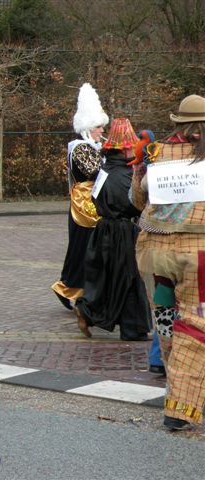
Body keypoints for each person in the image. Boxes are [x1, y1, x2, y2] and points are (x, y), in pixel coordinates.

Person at [131, 94, 205, 431]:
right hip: (197, 254)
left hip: (154, 254)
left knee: (166, 322)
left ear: (176, 122)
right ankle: (180, 406)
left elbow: (136, 200)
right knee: (195, 324)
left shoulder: (153, 153)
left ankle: (177, 390)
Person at [74, 118, 150, 341]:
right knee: (129, 278)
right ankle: (132, 327)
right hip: (123, 231)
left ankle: (90, 312)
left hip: (104, 230)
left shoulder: (104, 171)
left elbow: (96, 198)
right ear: (126, 148)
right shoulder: (126, 175)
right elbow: (134, 203)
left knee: (109, 278)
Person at [51, 83, 108, 310]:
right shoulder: (81, 148)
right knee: (82, 247)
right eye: (98, 127)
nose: (102, 131)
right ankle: (67, 287)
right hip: (84, 204)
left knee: (88, 247)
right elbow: (95, 172)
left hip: (93, 202)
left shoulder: (92, 147)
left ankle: (81, 289)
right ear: (88, 128)